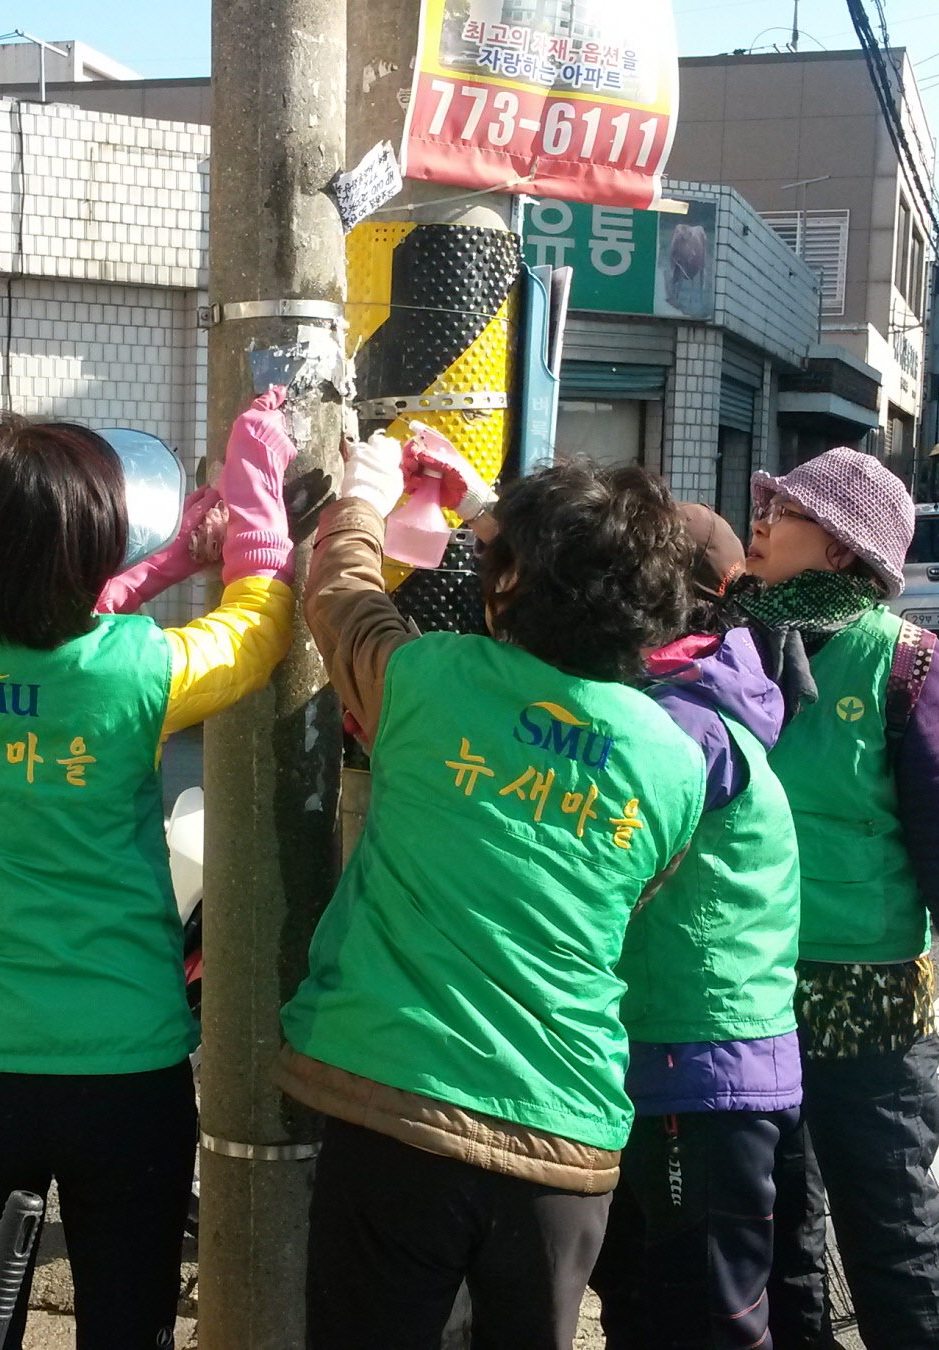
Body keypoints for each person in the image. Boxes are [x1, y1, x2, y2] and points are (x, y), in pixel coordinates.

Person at [0, 394, 299, 1350]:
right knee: (125, 1325)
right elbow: (259, 626)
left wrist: (171, 560)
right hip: (119, 1069)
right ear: (86, 558)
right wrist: (255, 496)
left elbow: (30, 634)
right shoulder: (134, 676)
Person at [278, 446, 705, 1350]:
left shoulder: (430, 681)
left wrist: (359, 499)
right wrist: (493, 517)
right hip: (565, 1141)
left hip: (400, 1106)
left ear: (511, 584)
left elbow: (343, 601)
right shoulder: (673, 761)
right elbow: (634, 895)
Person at [735, 449, 939, 1350]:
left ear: (839, 551)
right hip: (745, 992)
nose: (764, 515)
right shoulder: (724, 638)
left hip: (867, 1006)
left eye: (787, 510)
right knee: (779, 1231)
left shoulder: (907, 664)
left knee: (893, 1235)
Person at [591, 504, 804, 1349]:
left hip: (697, 1064)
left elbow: (602, 864)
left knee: (701, 1320)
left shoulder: (681, 723)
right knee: (650, 1303)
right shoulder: (702, 686)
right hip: (695, 1059)